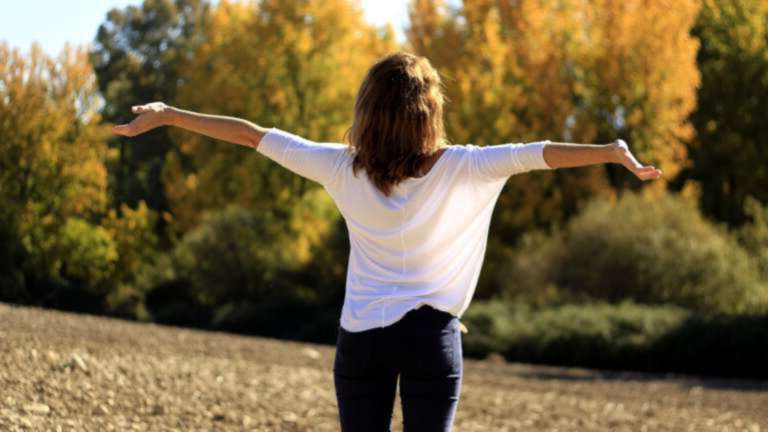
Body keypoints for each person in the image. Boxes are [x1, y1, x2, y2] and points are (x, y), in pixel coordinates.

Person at [113, 52, 662, 432]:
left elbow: (251, 134)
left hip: (361, 340)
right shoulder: (466, 167)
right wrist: (611, 151)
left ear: (367, 113)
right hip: (431, 339)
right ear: (431, 114)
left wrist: (171, 116)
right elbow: (540, 152)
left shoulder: (338, 168)